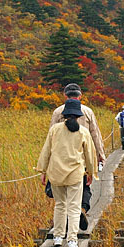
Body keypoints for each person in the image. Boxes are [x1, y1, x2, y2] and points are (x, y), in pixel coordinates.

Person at [37, 99, 97, 247]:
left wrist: (42, 171)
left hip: (56, 173)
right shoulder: (83, 131)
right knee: (74, 207)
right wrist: (91, 172)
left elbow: (46, 151)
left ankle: (58, 237)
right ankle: (72, 240)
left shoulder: (55, 130)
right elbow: (90, 155)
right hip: (75, 174)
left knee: (60, 205)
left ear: (64, 115)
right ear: (78, 115)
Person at [50, 83, 105, 230]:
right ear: (80, 96)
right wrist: (100, 155)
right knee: (85, 185)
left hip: (61, 158)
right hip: (83, 156)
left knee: (62, 187)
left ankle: (66, 219)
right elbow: (95, 134)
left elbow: (51, 137)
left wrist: (48, 161)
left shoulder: (57, 112)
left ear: (65, 95)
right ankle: (81, 209)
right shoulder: (87, 111)